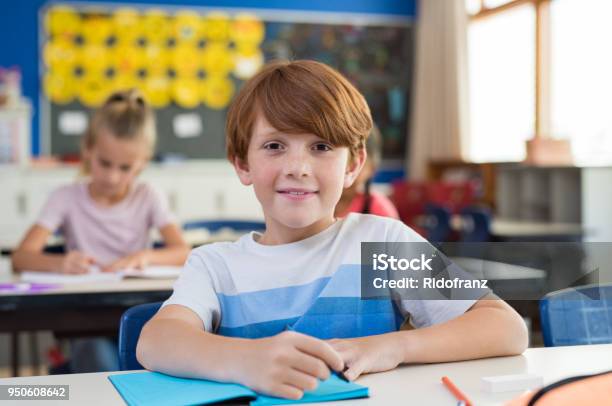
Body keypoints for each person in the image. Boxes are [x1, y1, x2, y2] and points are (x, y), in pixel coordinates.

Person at [137, 60, 527, 400]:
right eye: (274, 146)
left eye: (321, 147)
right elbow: (156, 341)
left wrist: (394, 346)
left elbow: (506, 327)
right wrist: (245, 361)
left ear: (354, 165)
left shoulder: (383, 241)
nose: (298, 167)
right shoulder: (214, 265)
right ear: (242, 164)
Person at [12, 89, 190, 371]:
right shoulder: (66, 197)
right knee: (97, 355)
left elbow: (183, 252)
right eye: (104, 163)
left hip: (135, 315)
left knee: (146, 358)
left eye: (125, 168)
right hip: (86, 320)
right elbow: (21, 257)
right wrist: (60, 262)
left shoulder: (148, 196)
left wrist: (146, 256)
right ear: (87, 150)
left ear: (142, 164)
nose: (112, 176)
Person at [335, 124, 399, 219]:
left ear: (372, 169)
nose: (346, 172)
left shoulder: (379, 210)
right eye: (341, 163)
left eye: (355, 164)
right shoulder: (314, 203)